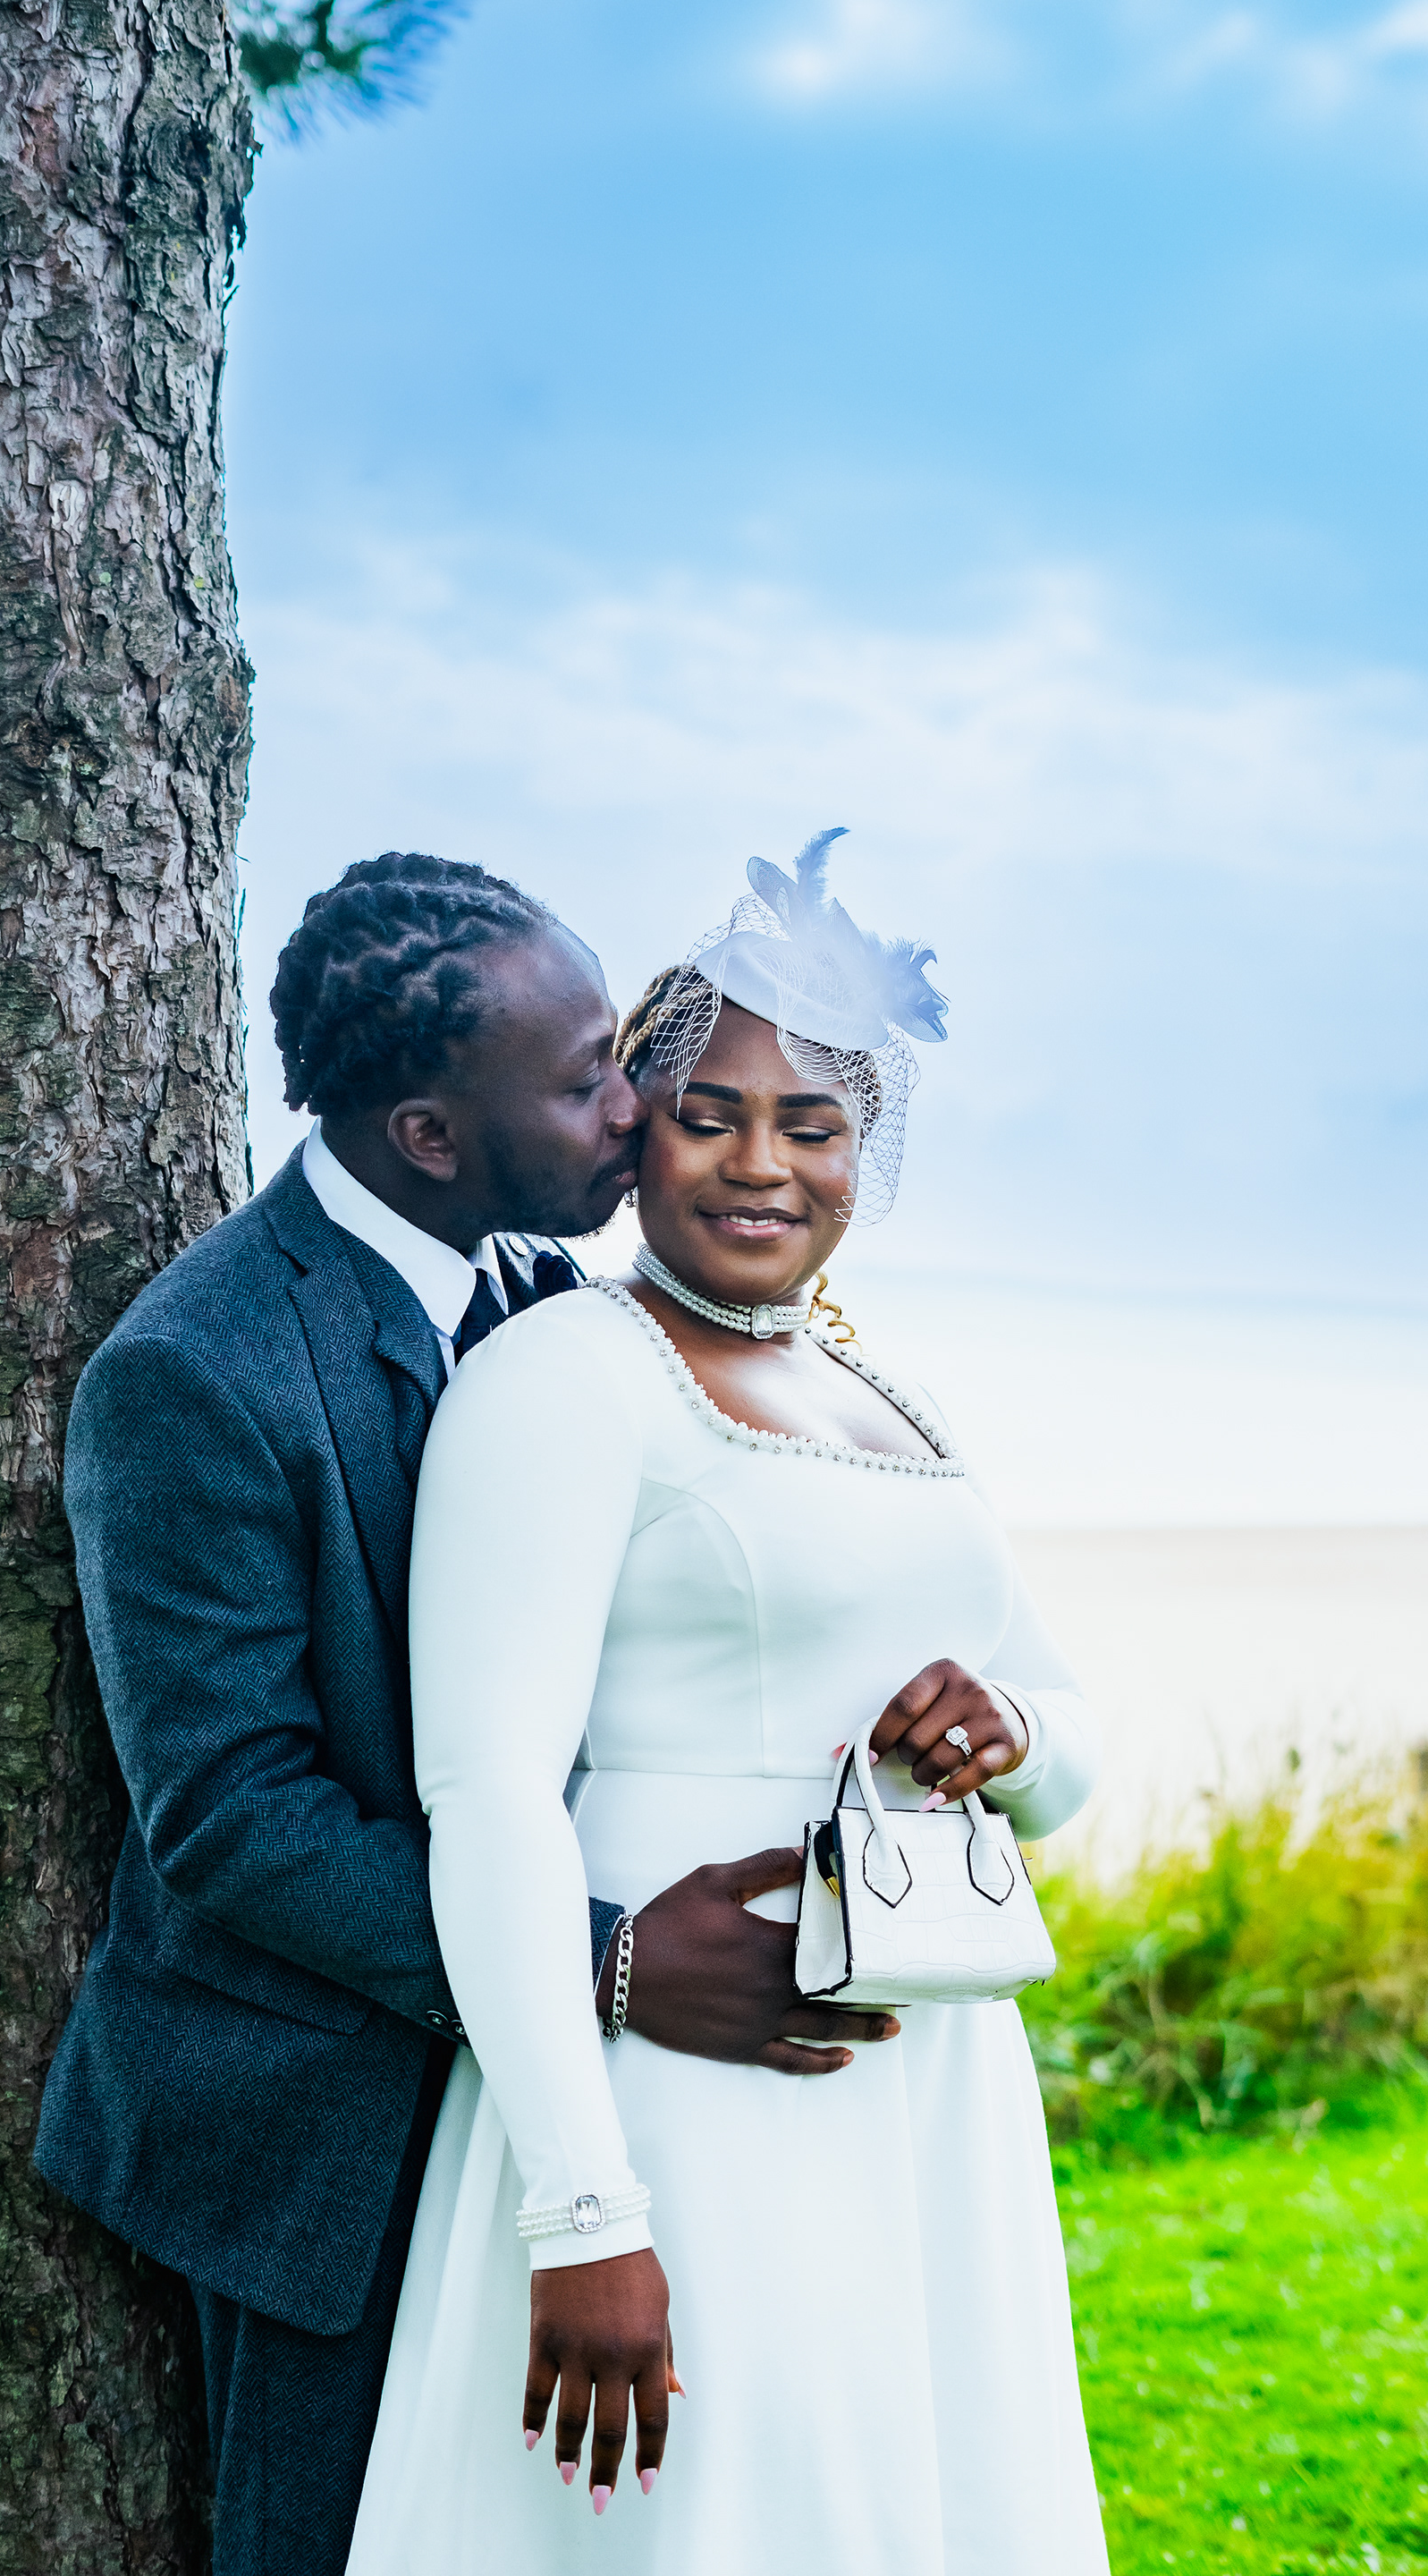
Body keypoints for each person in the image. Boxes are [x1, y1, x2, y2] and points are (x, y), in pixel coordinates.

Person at [34, 851, 895, 2576]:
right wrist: (608, 1960)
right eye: (587, 1083)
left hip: (537, 2075)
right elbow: (234, 1820)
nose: (637, 1107)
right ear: (429, 1135)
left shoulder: (536, 1294)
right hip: (318, 2120)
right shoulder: (195, 1374)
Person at [348, 834, 1108, 2575]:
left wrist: (1010, 1731)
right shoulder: (564, 1377)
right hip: (682, 2093)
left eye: (812, 1125)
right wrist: (583, 2209)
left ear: (864, 1153)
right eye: (711, 1116)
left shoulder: (882, 1395)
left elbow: (1067, 1743)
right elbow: (488, 1800)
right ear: (638, 1129)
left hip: (919, 2089)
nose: (762, 1163)